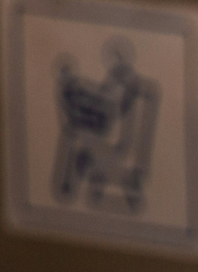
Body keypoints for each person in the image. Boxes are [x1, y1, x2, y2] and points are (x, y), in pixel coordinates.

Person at [52, 35, 160, 214]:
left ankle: (97, 181)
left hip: (117, 145)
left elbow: (107, 109)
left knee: (79, 142)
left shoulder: (129, 88)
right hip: (108, 143)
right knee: (77, 139)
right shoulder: (115, 87)